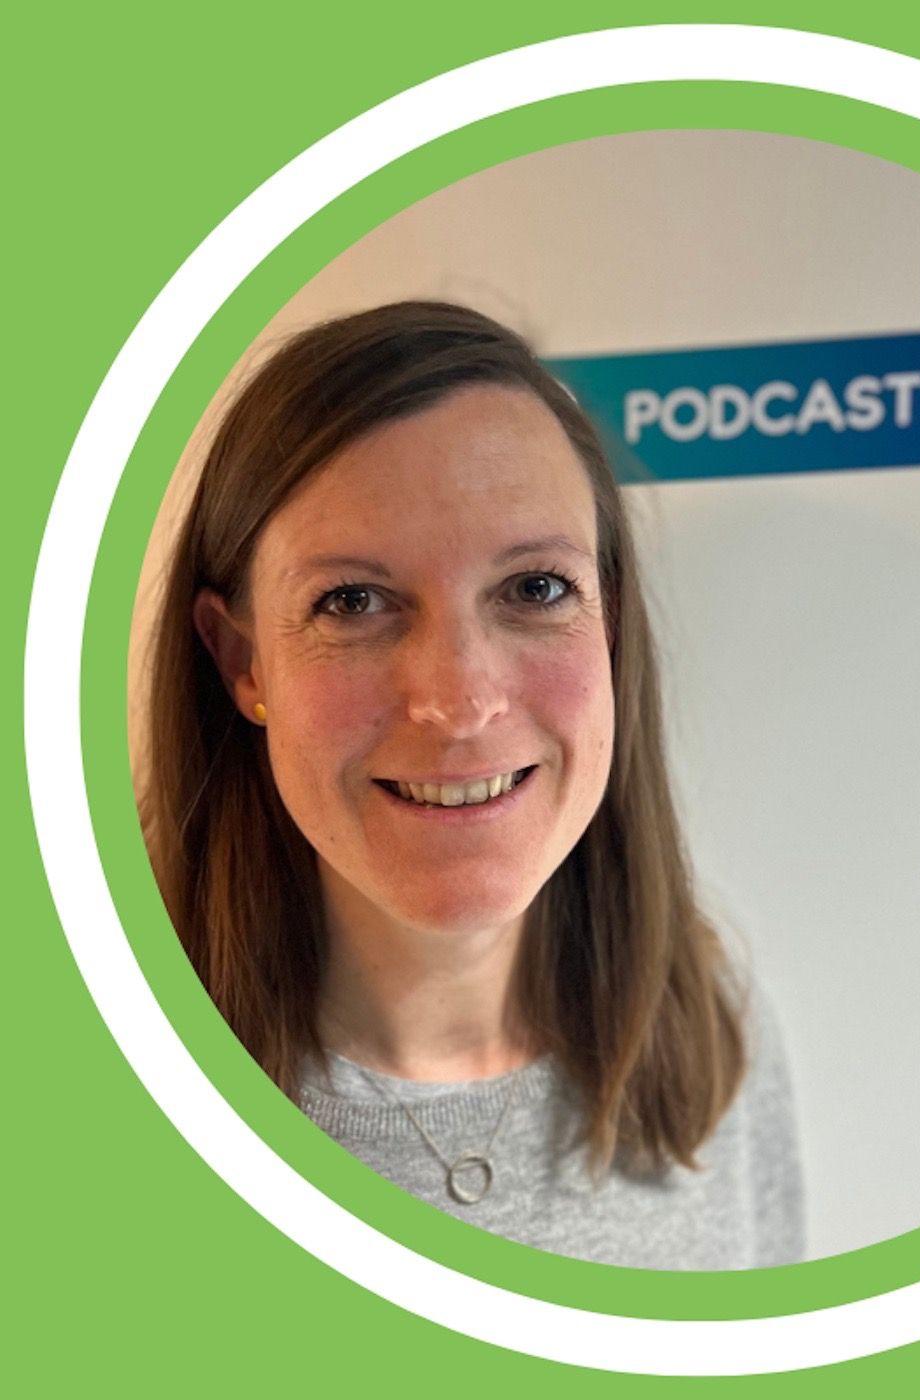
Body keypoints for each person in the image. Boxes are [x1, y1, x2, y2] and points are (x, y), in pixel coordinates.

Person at [140, 300, 804, 1269]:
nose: (459, 702)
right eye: (352, 601)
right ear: (241, 662)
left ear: (609, 623)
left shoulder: (708, 1026)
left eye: (535, 588)